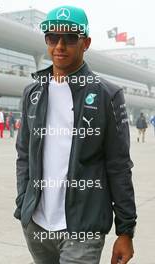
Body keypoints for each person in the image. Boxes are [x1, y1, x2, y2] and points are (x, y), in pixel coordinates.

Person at [14, 5, 137, 264]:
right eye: (52, 37)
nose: (60, 45)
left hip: (84, 228)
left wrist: (125, 230)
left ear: (86, 43)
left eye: (70, 38)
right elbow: (24, 154)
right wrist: (23, 202)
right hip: (36, 225)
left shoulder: (108, 95)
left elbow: (119, 166)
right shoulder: (32, 94)